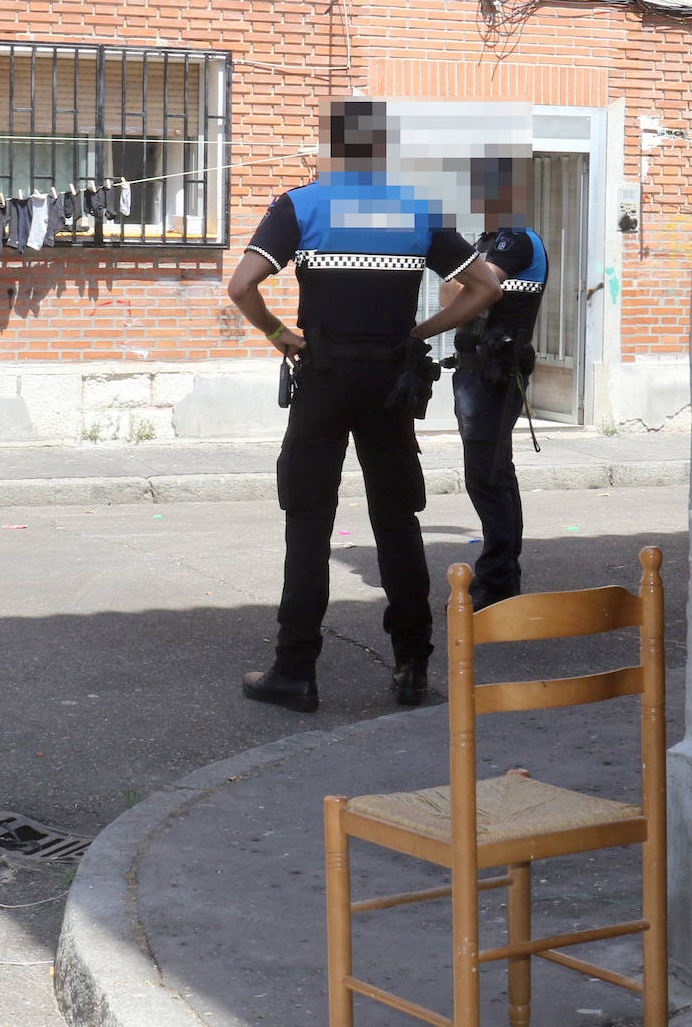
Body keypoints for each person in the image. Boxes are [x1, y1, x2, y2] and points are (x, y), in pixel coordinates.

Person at [227, 99, 502, 713]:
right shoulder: (418, 208)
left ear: (331, 148)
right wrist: (420, 332)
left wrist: (278, 335)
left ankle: (295, 672)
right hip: (389, 381)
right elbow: (485, 286)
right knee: (398, 521)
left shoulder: (301, 204)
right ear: (384, 149)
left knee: (308, 520)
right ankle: (412, 670)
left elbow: (242, 285)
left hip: (322, 376)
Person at [440, 227, 549, 609]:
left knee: (485, 477)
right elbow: (454, 300)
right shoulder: (484, 242)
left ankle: (497, 579)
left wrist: (460, 280)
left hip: (495, 375)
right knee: (494, 473)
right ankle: (503, 576)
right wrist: (461, 282)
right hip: (473, 374)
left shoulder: (515, 241)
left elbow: (461, 291)